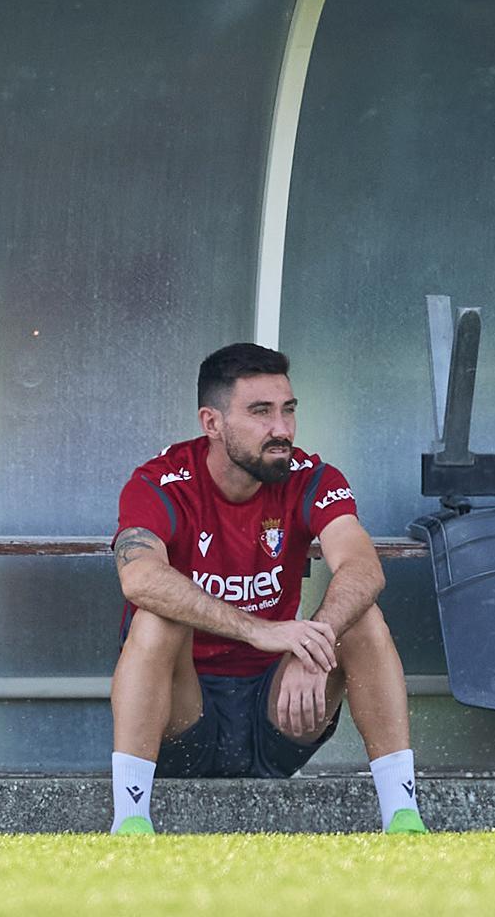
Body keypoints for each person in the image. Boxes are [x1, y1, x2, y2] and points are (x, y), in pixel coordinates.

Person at [106, 342, 427, 835]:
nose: (282, 429)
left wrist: (311, 641)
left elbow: (364, 568)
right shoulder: (160, 482)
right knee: (155, 614)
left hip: (281, 709)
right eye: (261, 412)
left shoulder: (310, 476)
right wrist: (260, 630)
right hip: (182, 715)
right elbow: (140, 576)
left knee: (361, 619)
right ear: (212, 423)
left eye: (288, 410)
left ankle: (404, 818)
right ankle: (130, 825)